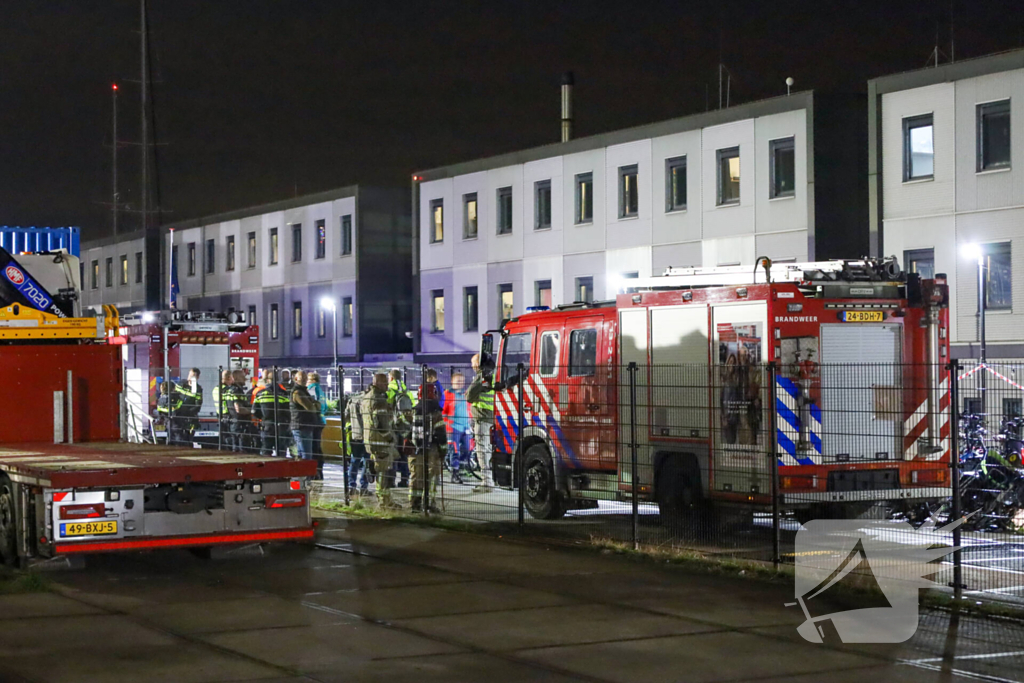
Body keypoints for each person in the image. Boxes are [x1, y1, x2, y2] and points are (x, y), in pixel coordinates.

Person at [362, 372, 400, 509]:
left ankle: (384, 499)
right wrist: (390, 437)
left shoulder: (367, 397)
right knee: (383, 471)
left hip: (370, 439)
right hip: (381, 441)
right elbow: (381, 423)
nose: (387, 386)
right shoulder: (379, 399)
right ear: (377, 383)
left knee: (380, 470)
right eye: (384, 383)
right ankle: (385, 501)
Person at [410, 381, 445, 512]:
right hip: (432, 449)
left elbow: (404, 427)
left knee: (417, 476)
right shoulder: (436, 412)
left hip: (417, 448)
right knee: (432, 476)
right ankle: (429, 504)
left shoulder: (414, 411)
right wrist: (443, 450)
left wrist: (410, 441)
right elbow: (441, 433)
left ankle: (415, 504)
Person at [466, 353, 495, 492]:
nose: (472, 367)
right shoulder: (495, 373)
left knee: (482, 450)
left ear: (478, 364)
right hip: (493, 417)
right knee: (489, 450)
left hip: (482, 417)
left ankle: (487, 482)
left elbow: (469, 396)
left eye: (473, 364)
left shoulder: (482, 375)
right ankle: (490, 479)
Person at [252, 369, 291, 456]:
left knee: (266, 451)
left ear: (267, 380)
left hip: (267, 426)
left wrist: (263, 418)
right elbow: (288, 411)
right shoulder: (283, 393)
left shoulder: (260, 393)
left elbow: (254, 411)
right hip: (281, 426)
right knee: (281, 452)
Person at [443, 371, 472, 484]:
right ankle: (455, 473)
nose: (460, 383)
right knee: (455, 451)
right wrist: (447, 424)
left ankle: (460, 468)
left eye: (462, 381)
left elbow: (469, 408)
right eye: (458, 381)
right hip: (453, 427)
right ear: (452, 382)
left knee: (468, 449)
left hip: (466, 426)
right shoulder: (447, 394)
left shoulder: (466, 394)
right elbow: (443, 411)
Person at [387, 369, 414, 488]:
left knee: (393, 454)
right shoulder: (407, 391)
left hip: (393, 427)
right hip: (405, 428)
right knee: (404, 454)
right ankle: (404, 480)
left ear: (391, 378)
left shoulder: (389, 390)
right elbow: (412, 407)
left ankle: (391, 480)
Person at [290, 370, 319, 462]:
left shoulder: (304, 391)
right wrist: (314, 404)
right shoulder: (298, 392)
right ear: (296, 379)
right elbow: (311, 408)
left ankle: (302, 470)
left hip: (304, 425)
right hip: (301, 426)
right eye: (302, 377)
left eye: (305, 378)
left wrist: (315, 405)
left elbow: (317, 405)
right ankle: (305, 471)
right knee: (306, 455)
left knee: (302, 454)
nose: (305, 379)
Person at [345, 392, 370, 495]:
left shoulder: (352, 400)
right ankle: (364, 486)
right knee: (367, 461)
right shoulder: (367, 400)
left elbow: (346, 416)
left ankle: (351, 486)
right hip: (367, 434)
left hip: (355, 434)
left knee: (354, 460)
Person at [174, 367, 204, 442]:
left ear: (197, 377)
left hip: (189, 418)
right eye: (189, 375)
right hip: (177, 416)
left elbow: (198, 406)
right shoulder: (181, 384)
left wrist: (187, 412)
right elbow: (173, 397)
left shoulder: (198, 390)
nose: (190, 378)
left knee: (187, 439)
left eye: (193, 376)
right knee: (177, 438)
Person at [307, 371, 327, 477]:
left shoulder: (312, 389)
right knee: (317, 446)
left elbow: (311, 405)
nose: (307, 382)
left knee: (314, 447)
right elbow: (326, 407)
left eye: (308, 379)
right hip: (321, 420)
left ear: (313, 380)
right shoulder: (320, 390)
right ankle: (319, 469)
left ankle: (316, 471)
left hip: (314, 421)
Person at [230, 369, 255, 452]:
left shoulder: (235, 390)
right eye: (243, 377)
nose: (245, 379)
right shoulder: (236, 391)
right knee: (242, 450)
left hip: (236, 424)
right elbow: (239, 409)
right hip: (240, 425)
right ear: (236, 378)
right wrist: (252, 411)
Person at [212, 370, 236, 451]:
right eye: (232, 378)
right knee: (230, 438)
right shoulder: (226, 390)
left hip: (220, 416)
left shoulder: (216, 389)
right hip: (228, 416)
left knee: (223, 437)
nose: (233, 380)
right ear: (228, 378)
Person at [156, 379, 184, 444]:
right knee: (179, 442)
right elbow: (180, 408)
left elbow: (159, 412)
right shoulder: (176, 398)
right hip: (177, 423)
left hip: (167, 423)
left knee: (170, 440)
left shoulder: (160, 399)